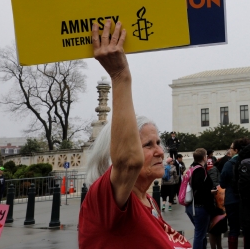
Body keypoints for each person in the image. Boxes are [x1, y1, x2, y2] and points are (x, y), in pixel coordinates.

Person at [78, 20, 190, 248]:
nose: (160, 151)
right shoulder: (106, 200)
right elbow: (129, 162)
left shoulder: (146, 199)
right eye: (148, 145)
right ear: (115, 152)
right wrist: (120, 76)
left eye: (158, 142)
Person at [219, 138, 250, 249]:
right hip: (247, 200)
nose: (230, 150)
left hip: (231, 200)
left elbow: (222, 184)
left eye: (231, 148)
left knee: (233, 229)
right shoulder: (249, 161)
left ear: (236, 150)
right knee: (247, 229)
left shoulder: (228, 164)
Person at [185, 148, 215, 249]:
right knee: (200, 234)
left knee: (201, 233)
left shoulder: (192, 168)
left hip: (191, 205)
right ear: (204, 157)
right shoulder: (200, 170)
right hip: (199, 207)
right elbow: (200, 187)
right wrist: (210, 192)